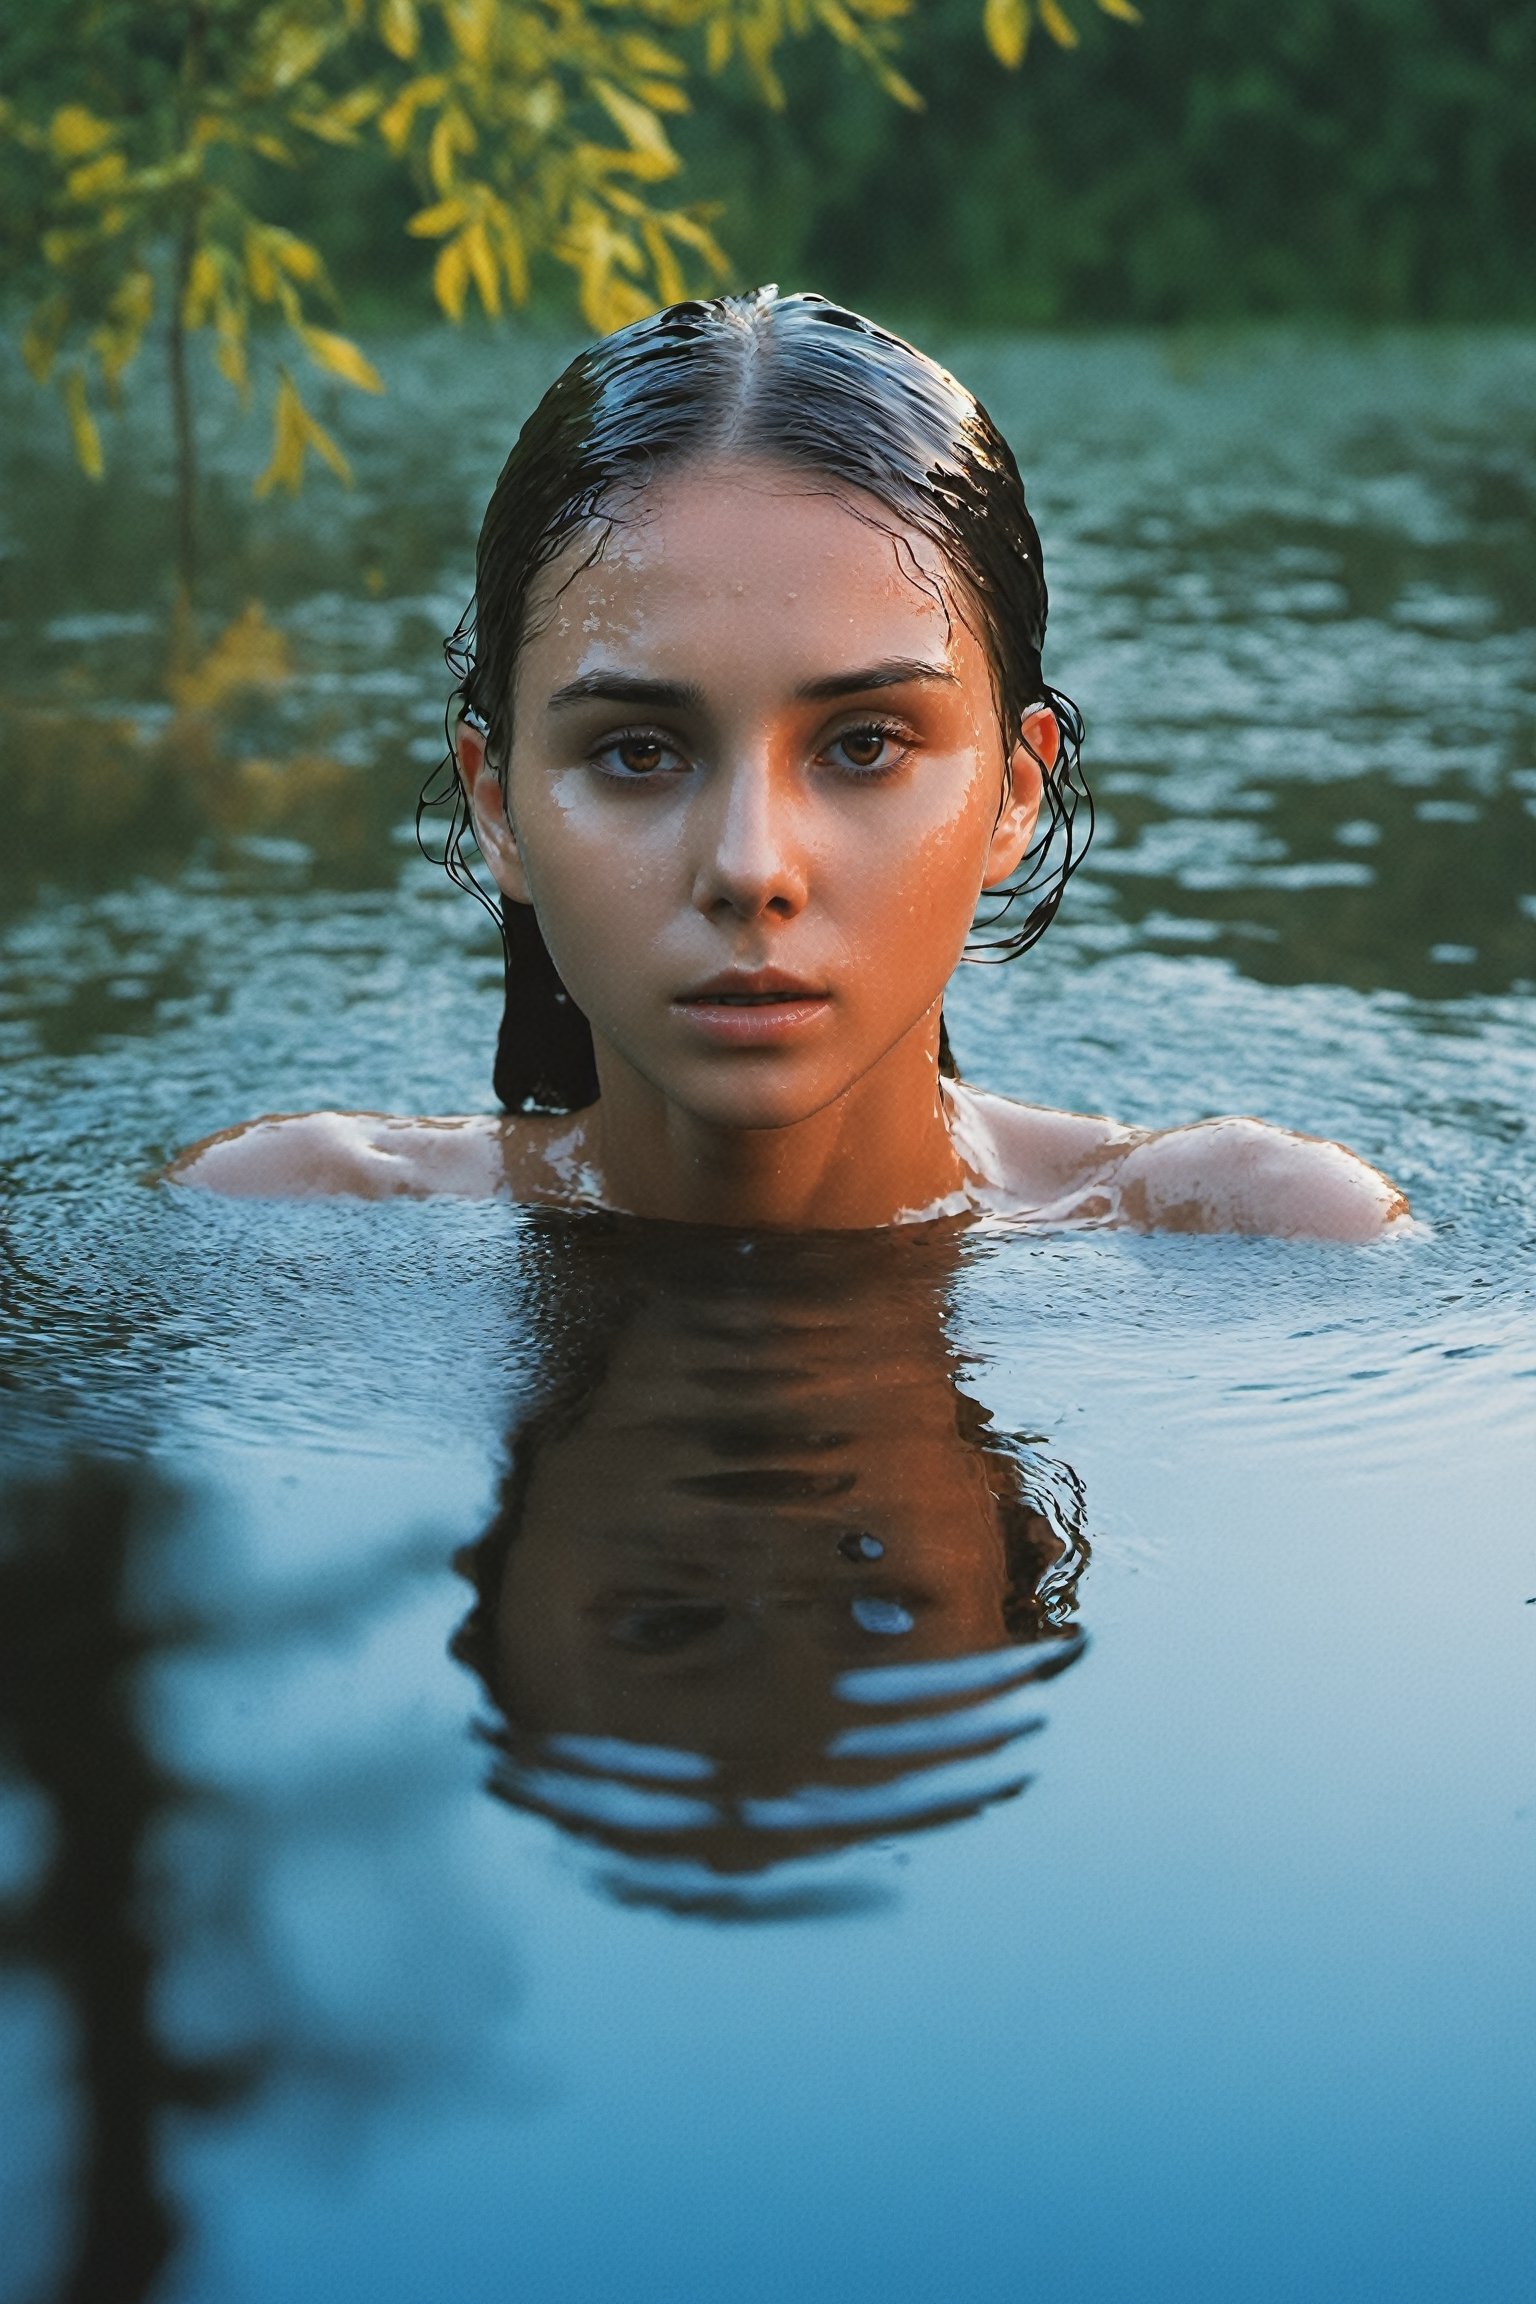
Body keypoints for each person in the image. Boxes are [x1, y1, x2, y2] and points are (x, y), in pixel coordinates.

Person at [167, 288, 1407, 1237]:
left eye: (864, 745)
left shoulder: (1259, 1232)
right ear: (496, 804)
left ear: (1015, 794)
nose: (750, 868)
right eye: (639, 752)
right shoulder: (280, 1214)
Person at [449, 1215, 1089, 1916]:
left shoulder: (340, 1190)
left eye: (665, 1622)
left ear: (499, 1541)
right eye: (877, 1609)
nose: (770, 1554)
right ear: (1022, 1533)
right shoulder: (1193, 1218)